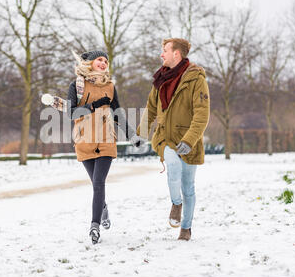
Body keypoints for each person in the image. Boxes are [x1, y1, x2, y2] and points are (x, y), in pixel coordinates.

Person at [67, 50, 144, 244]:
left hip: (107, 139)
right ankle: (102, 208)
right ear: (90, 63)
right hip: (84, 140)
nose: (103, 63)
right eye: (99, 60)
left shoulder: (110, 86)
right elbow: (72, 114)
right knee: (95, 183)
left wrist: (132, 135)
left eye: (105, 60)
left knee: (99, 182)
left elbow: (117, 112)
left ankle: (94, 226)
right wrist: (94, 105)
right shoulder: (76, 85)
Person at [136, 38, 210, 241]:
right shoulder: (161, 79)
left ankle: (186, 228)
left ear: (176, 53)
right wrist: (141, 134)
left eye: (165, 50)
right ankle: (176, 203)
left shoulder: (196, 79)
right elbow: (151, 108)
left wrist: (189, 140)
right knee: (173, 166)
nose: (162, 54)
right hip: (164, 138)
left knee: (188, 187)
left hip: (188, 141)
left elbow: (202, 114)